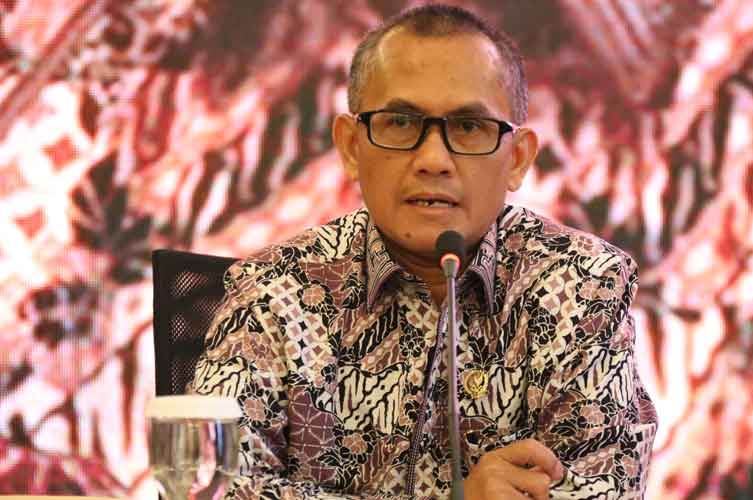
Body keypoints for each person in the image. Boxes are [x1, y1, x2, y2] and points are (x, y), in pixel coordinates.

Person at [192, 4, 657, 499]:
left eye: (469, 127)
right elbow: (210, 487)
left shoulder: (582, 285)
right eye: (400, 123)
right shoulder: (274, 290)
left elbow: (607, 485)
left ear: (518, 159)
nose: (434, 160)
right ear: (351, 147)